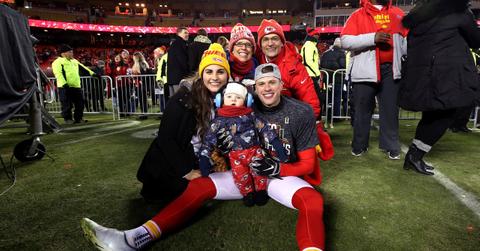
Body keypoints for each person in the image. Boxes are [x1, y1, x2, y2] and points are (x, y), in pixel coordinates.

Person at [81, 63, 325, 251]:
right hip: (242, 172)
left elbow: (307, 164)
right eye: (262, 84)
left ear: (282, 84)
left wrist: (275, 169)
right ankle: (132, 238)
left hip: (277, 176)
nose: (268, 89)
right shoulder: (242, 107)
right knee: (198, 186)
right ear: (253, 90)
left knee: (313, 201)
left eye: (273, 82)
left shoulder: (300, 111)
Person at [398, 0, 480, 175]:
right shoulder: (458, 11)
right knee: (445, 114)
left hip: (425, 72)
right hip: (445, 73)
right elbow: (475, 40)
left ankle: (414, 156)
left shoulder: (420, 14)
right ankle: (415, 155)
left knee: (433, 114)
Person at [256, 19, 334, 161]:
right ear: (260, 44)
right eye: (265, 39)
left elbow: (310, 100)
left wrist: (311, 129)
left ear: (282, 42)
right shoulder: (256, 59)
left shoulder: (293, 65)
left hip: (286, 121)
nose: (270, 43)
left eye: (275, 38)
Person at [199, 82, 288, 207]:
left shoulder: (250, 115)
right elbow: (209, 139)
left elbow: (265, 129)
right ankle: (248, 193)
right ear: (221, 99)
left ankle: (261, 191)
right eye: (229, 96)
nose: (233, 99)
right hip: (235, 156)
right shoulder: (219, 121)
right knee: (240, 176)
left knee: (259, 171)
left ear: (246, 100)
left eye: (238, 97)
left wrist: (277, 145)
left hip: (254, 151)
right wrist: (204, 157)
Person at [340, 0, 407, 159]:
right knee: (362, 111)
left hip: (391, 70)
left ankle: (391, 145)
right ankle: (359, 145)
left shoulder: (398, 13)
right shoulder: (357, 15)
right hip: (365, 71)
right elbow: (345, 41)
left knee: (390, 111)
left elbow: (406, 42)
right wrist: (373, 38)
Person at [52, 44, 96, 124]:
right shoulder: (57, 62)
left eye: (72, 52)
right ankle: (68, 119)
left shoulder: (74, 61)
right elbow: (58, 74)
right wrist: (64, 84)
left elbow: (83, 68)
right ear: (63, 53)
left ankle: (78, 118)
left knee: (80, 103)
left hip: (76, 86)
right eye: (70, 52)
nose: (72, 53)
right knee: (67, 104)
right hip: (65, 87)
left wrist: (93, 74)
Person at [321, 38, 347, 121]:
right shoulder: (341, 53)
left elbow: (322, 64)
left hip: (327, 79)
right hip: (338, 79)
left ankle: (328, 115)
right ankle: (336, 116)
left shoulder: (325, 53)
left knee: (328, 97)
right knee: (337, 98)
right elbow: (343, 66)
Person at [300, 29, 323, 113]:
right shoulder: (309, 45)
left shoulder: (311, 45)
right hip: (310, 75)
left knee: (315, 99)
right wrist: (316, 74)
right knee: (315, 99)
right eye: (317, 35)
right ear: (314, 36)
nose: (318, 37)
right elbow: (307, 61)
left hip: (311, 74)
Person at [167, 27, 190, 96]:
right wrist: (188, 73)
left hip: (172, 78)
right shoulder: (180, 44)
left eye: (188, 33)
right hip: (178, 78)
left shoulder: (174, 44)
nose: (187, 35)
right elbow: (182, 60)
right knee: (179, 99)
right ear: (179, 33)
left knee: (173, 101)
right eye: (185, 33)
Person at [132, 51, 152, 117]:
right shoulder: (140, 63)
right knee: (141, 99)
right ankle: (143, 112)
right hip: (139, 84)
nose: (133, 58)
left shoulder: (142, 63)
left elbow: (144, 73)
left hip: (142, 84)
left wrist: (140, 80)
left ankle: (144, 113)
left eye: (134, 57)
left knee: (143, 99)